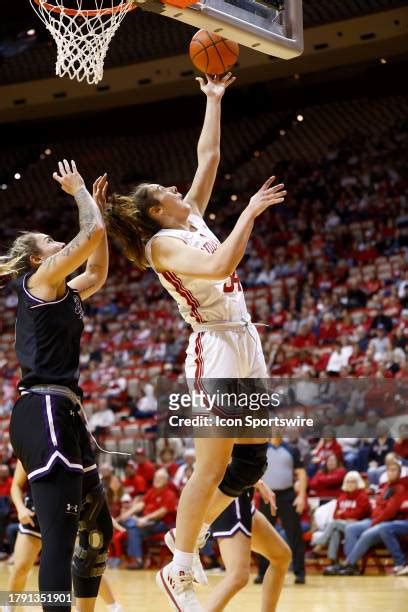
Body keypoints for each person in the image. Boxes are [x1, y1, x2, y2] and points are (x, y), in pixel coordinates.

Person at [105, 72, 287, 610]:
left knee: (251, 462)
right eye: (167, 193)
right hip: (216, 348)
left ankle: (187, 536)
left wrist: (213, 99)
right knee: (211, 466)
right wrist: (250, 212)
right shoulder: (163, 245)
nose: (178, 190)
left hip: (245, 339)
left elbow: (207, 159)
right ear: (156, 212)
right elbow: (221, 263)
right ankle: (179, 565)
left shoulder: (189, 219)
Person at [2, 162, 112, 612]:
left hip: (65, 412)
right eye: (50, 243)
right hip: (42, 408)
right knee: (60, 538)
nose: (57, 245)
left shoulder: (66, 291)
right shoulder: (40, 280)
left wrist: (98, 212)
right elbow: (88, 240)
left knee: (97, 526)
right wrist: (80, 192)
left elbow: (99, 268)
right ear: (37, 259)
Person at [6, 460, 123, 612]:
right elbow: (15, 485)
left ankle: (114, 606)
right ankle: (9, 606)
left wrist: (103, 514)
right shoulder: (30, 444)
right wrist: (20, 508)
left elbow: (90, 484)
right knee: (20, 567)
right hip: (35, 514)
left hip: (67, 512)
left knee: (85, 564)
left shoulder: (71, 442)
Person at [203, 480, 291, 612]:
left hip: (242, 497)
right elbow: (227, 461)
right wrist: (258, 482)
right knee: (237, 575)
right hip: (231, 496)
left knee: (281, 556)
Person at [329, 461, 405, 575]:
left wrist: (375, 522)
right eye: (389, 470)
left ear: (399, 473)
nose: (391, 473)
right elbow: (379, 504)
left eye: (394, 470)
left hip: (384, 522)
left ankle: (348, 563)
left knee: (366, 534)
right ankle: (352, 565)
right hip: (372, 519)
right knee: (351, 529)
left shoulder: (400, 488)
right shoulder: (385, 487)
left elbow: (390, 511)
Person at [255, 436, 307, 585]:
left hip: (287, 496)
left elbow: (302, 475)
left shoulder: (292, 449)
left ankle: (300, 573)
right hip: (266, 496)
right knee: (263, 536)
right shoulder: (262, 448)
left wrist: (301, 496)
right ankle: (262, 573)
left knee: (294, 534)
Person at [312, 471, 371, 574]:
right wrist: (346, 515)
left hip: (358, 525)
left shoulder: (363, 496)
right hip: (344, 524)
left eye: (353, 482)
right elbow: (335, 515)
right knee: (335, 530)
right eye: (348, 482)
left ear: (358, 483)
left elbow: (358, 514)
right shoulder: (342, 497)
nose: (350, 484)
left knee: (334, 524)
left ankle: (320, 545)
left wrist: (343, 514)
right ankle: (333, 562)